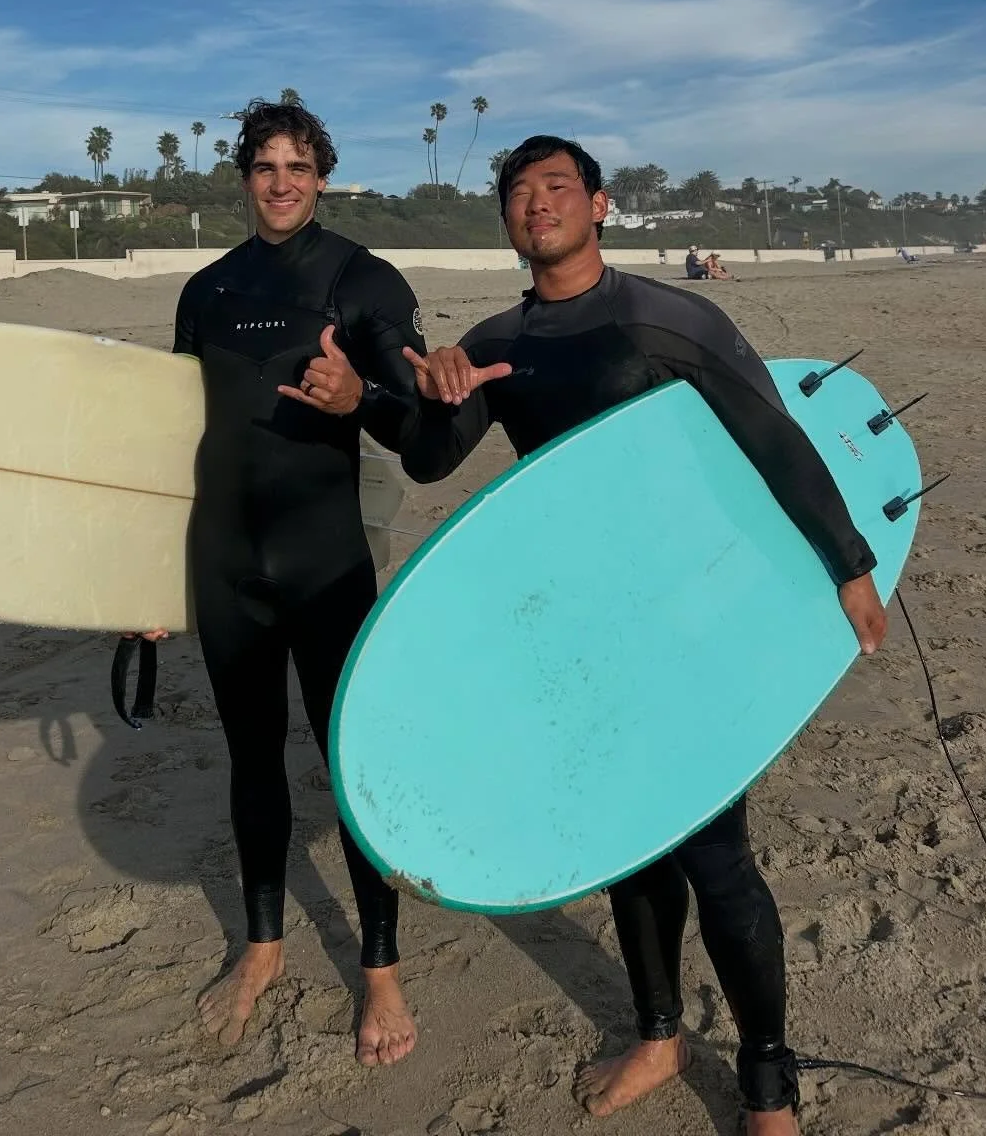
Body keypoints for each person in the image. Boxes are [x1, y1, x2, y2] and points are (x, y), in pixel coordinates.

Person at [393, 136, 889, 1134]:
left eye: (557, 186)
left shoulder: (668, 316)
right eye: (521, 191)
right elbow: (430, 463)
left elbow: (770, 435)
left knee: (717, 857)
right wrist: (422, 395)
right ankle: (659, 1037)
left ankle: (766, 1083)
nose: (539, 203)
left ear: (600, 205)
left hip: (687, 624)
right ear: (505, 219)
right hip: (580, 631)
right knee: (627, 843)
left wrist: (849, 562)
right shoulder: (497, 339)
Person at [134, 98, 424, 1066]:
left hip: (326, 564)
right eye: (266, 166)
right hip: (225, 569)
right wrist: (139, 582)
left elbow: (418, 427)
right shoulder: (206, 292)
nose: (283, 181)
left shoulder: (361, 279)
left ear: (324, 175)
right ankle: (263, 947)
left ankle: (379, 969)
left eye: (300, 166)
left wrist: (363, 398)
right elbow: (172, 442)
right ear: (246, 176)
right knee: (251, 762)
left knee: (355, 771)